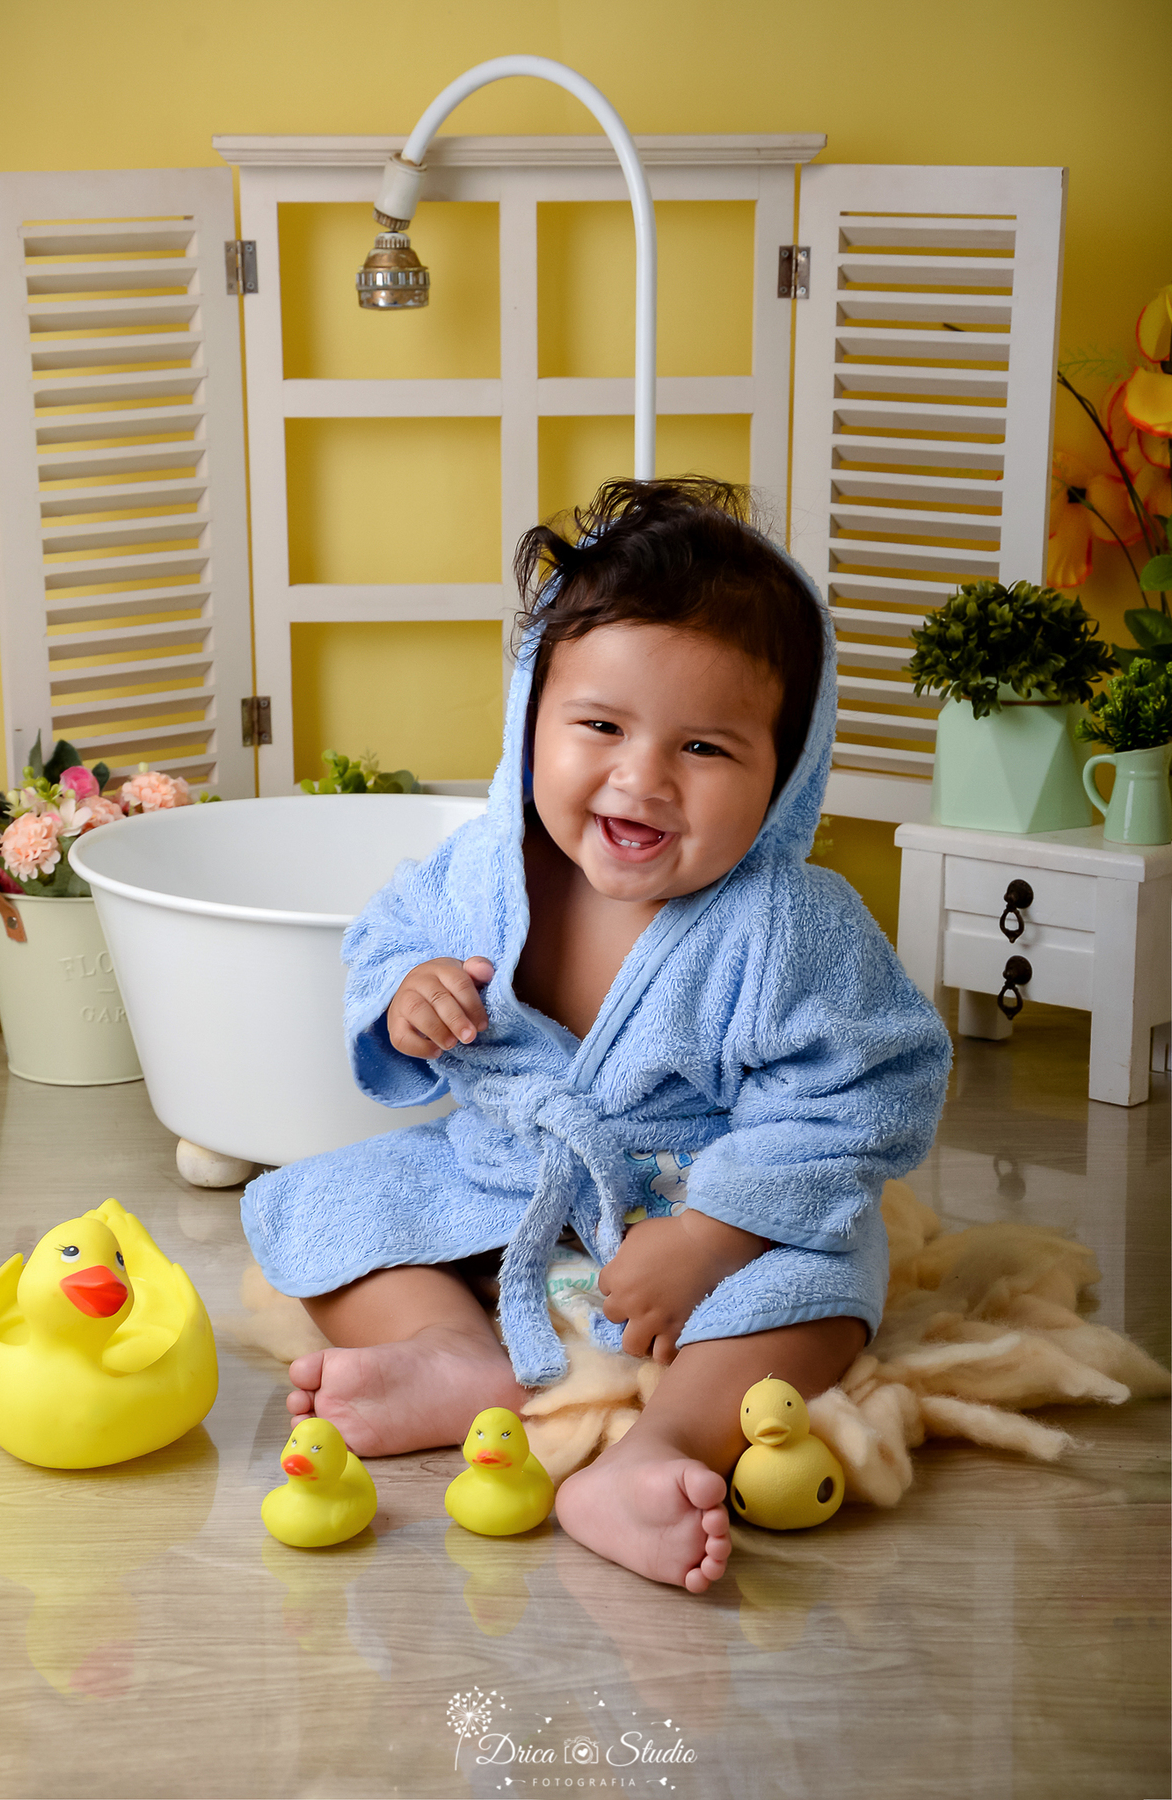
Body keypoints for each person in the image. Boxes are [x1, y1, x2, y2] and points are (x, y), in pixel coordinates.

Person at [242, 477, 950, 1591]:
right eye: (601, 726)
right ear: (534, 720)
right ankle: (459, 1358)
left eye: (707, 749)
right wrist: (406, 993)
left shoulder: (789, 925)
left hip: (704, 1205)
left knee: (821, 1291)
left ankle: (657, 1451)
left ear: (787, 770)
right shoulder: (485, 866)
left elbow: (867, 1093)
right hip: (510, 1179)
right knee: (327, 1205)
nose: (642, 778)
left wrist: (715, 1235)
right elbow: (389, 935)